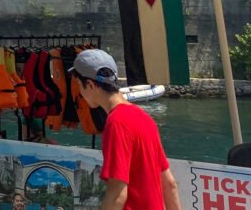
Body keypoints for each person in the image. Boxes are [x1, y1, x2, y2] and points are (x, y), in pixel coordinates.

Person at [69, 49, 180, 210]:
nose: (80, 92)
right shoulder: (144, 117)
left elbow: (117, 193)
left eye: (79, 85)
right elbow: (169, 184)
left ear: (90, 85)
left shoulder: (116, 123)